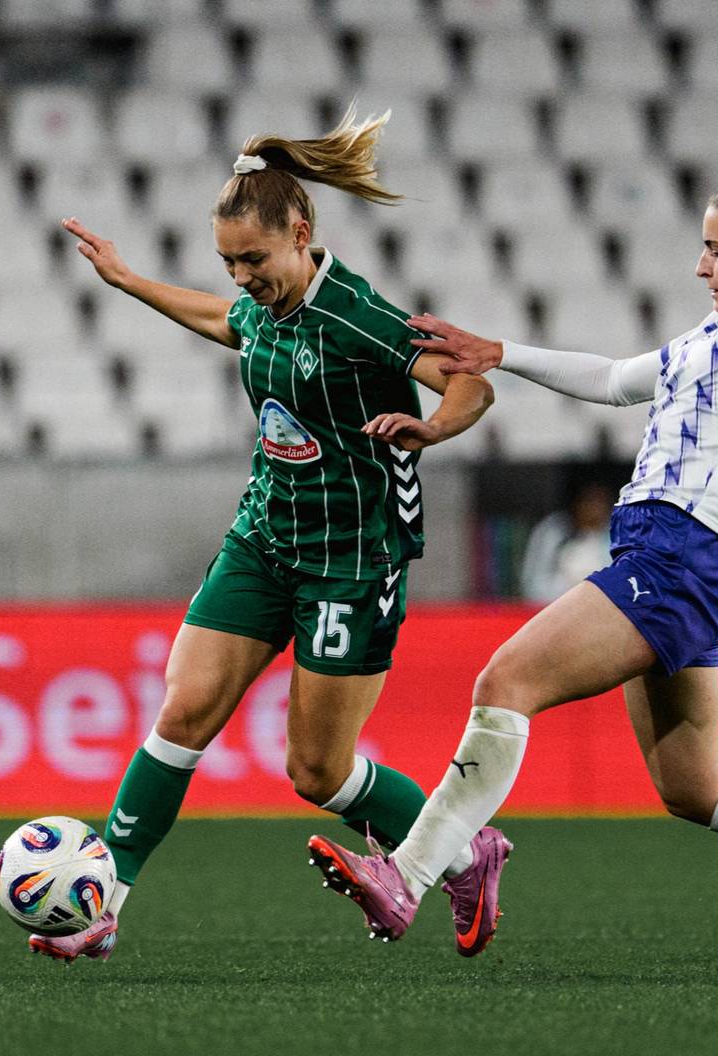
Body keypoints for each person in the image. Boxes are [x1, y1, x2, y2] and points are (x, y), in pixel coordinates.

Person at [303, 157, 718, 978]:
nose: (701, 266)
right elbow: (613, 380)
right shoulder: (708, 338)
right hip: (674, 553)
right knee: (694, 786)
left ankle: (409, 876)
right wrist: (499, 353)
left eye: (716, 249)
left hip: (682, 550)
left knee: (507, 681)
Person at [33, 110, 511, 964]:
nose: (242, 277)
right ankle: (104, 904)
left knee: (317, 773)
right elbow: (229, 322)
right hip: (263, 538)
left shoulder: (357, 318)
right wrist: (129, 280)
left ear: (301, 232)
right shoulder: (264, 308)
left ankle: (466, 850)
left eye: (253, 259)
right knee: (184, 710)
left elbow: (470, 385)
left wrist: (433, 428)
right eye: (229, 262)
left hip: (350, 562)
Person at [519, 477, 615, 602]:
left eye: (601, 502)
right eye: (590, 501)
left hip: (601, 605)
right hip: (554, 603)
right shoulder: (554, 531)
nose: (595, 508)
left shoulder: (617, 535)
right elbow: (534, 583)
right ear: (577, 503)